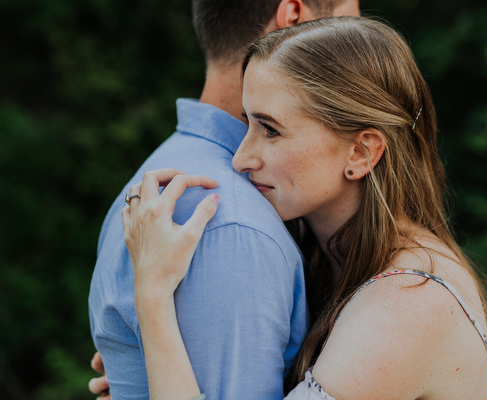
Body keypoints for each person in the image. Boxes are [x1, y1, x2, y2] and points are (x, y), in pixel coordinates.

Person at [118, 17, 487, 400]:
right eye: (247, 123)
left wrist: (151, 296)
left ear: (360, 153)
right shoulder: (333, 261)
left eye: (270, 130)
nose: (241, 158)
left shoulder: (409, 303)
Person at [88, 1, 361, 400]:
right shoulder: (230, 224)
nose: (361, 48)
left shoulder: (162, 170)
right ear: (294, 18)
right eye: (349, 26)